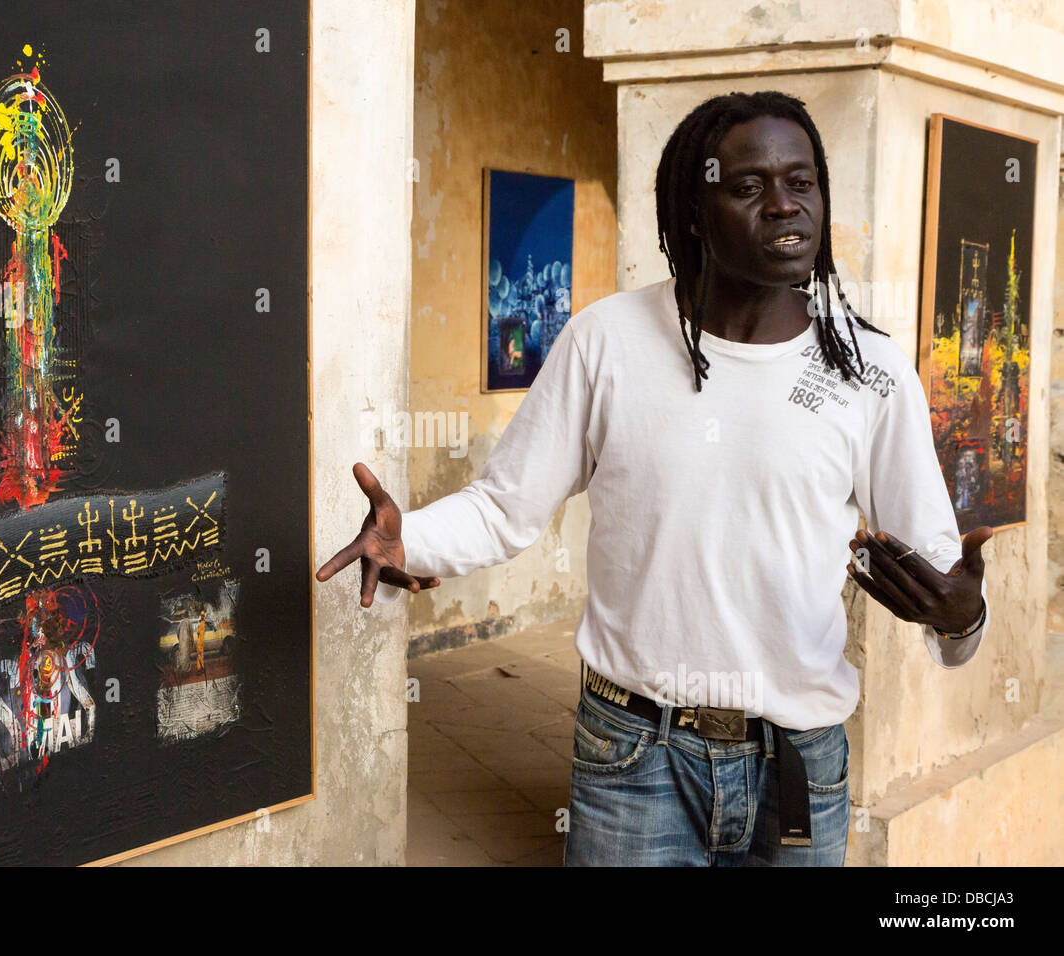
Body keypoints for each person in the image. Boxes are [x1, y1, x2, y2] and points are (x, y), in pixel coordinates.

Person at [315, 90, 991, 866]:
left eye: (801, 183)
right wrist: (413, 541)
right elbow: (506, 508)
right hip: (635, 757)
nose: (783, 206)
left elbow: (942, 581)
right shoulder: (606, 342)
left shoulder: (869, 371)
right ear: (694, 212)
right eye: (748, 187)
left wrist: (962, 617)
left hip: (799, 765)